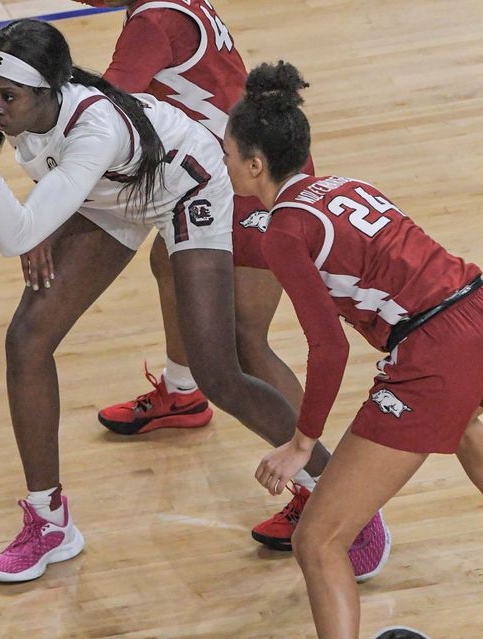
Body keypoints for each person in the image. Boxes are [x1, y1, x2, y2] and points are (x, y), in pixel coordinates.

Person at [0, 19, 311, 583]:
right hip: (109, 194)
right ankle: (49, 522)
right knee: (27, 338)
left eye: (9, 99)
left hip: (187, 184)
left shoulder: (95, 126)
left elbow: (15, 236)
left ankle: (331, 490)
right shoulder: (1, 95)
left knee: (220, 370)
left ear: (51, 91)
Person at [70, 0, 363, 559]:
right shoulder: (166, 8)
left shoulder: (152, 23)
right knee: (168, 262)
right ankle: (183, 394)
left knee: (243, 343)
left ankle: (321, 489)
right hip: (227, 169)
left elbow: (100, 111)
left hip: (254, 180)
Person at [222, 61, 483, 638]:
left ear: (256, 164)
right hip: (476, 305)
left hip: (434, 350)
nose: (225, 162)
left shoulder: (283, 232)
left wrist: (301, 443)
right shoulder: (345, 186)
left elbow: (328, 348)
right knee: (467, 430)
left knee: (318, 539)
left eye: (229, 153)